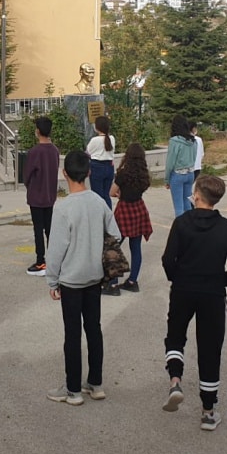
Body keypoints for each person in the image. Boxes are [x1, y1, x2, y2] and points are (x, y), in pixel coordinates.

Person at [160, 175, 227, 431]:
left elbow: (167, 259)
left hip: (184, 289)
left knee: (175, 337)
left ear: (196, 195)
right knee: (210, 349)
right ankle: (208, 410)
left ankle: (175, 379)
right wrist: (222, 282)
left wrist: (178, 277)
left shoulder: (181, 223)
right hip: (213, 294)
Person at [44, 151, 120, 405]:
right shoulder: (98, 202)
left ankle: (73, 389)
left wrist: (52, 280)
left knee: (72, 333)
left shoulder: (63, 207)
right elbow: (115, 234)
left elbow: (56, 249)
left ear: (64, 173)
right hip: (95, 277)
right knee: (94, 328)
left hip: (71, 279)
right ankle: (95, 383)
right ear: (89, 172)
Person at [110, 143, 152, 292]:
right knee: (136, 247)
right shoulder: (144, 174)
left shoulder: (123, 173)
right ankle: (133, 281)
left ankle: (113, 282)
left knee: (113, 246)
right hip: (139, 209)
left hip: (124, 209)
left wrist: (120, 193)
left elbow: (111, 192)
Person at [24, 116, 60, 277]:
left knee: (38, 229)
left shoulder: (34, 152)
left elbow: (26, 175)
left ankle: (40, 261)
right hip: (50, 195)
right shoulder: (54, 150)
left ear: (38, 131)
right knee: (50, 229)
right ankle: (54, 260)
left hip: (36, 196)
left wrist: (29, 186)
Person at [165, 115, 198, 218]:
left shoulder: (174, 141)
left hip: (178, 174)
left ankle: (180, 229)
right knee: (187, 203)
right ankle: (190, 226)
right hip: (190, 173)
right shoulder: (193, 140)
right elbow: (194, 157)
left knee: (178, 207)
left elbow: (170, 162)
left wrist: (167, 179)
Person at [86, 116, 116, 209]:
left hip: (96, 167)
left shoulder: (95, 140)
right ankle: (108, 215)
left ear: (97, 127)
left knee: (97, 195)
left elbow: (88, 152)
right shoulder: (112, 138)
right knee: (106, 194)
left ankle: (99, 216)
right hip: (109, 167)